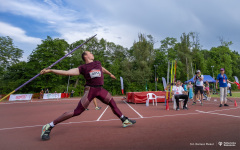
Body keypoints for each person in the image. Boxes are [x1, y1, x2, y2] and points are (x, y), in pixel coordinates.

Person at [40, 51, 136, 140]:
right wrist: (51, 70)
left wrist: (110, 74)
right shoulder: (82, 68)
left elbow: (102, 69)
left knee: (112, 103)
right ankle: (49, 126)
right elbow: (67, 72)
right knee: (77, 112)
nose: (92, 53)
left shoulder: (97, 63)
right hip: (91, 90)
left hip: (100, 89)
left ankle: (124, 120)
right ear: (86, 56)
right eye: (90, 53)